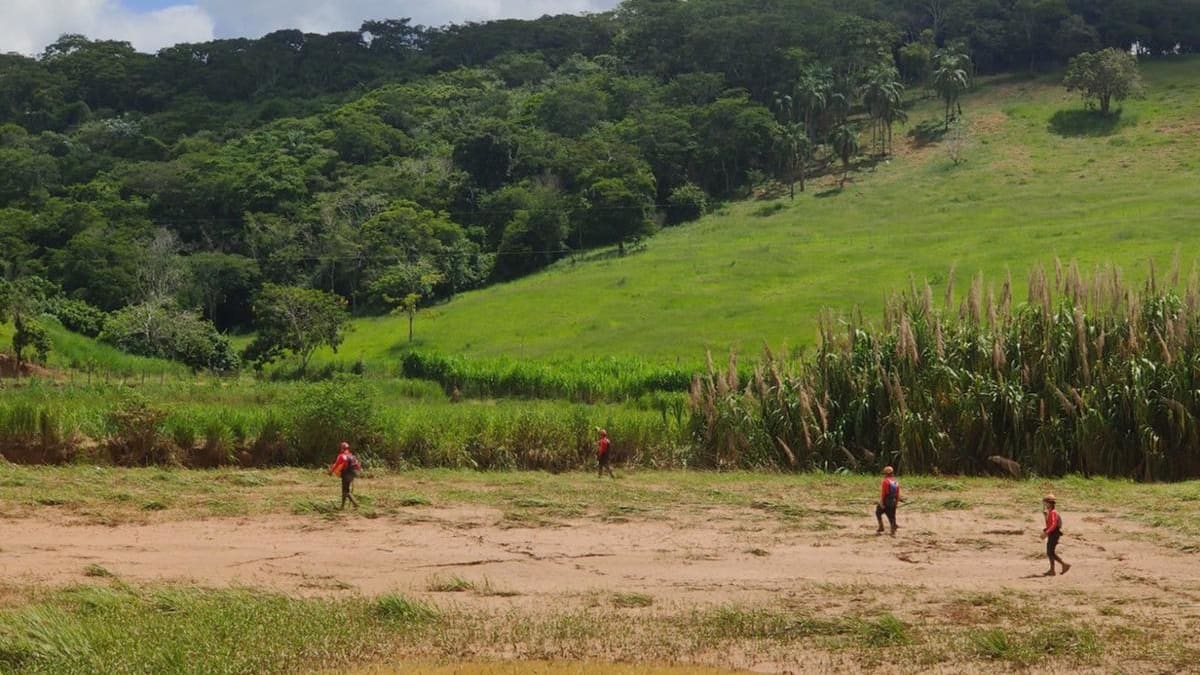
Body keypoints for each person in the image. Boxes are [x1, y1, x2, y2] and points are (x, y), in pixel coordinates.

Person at [1040, 494, 1070, 576]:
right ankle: (1053, 570)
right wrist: (1046, 516)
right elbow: (1049, 524)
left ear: (1049, 503)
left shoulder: (1053, 512)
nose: (1044, 505)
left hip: (1054, 533)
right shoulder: (1050, 512)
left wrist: (1047, 532)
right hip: (1053, 533)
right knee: (1050, 552)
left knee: (1050, 552)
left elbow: (1053, 524)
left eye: (1045, 503)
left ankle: (1064, 565)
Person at [329, 441, 361, 509]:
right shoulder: (352, 456)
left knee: (345, 491)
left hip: (346, 474)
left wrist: (331, 472)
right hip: (353, 474)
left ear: (342, 448)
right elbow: (358, 466)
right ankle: (343, 506)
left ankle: (355, 504)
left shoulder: (341, 456)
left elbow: (336, 465)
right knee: (345, 490)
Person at [875, 466, 905, 536]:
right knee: (892, 515)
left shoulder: (885, 482)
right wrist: (896, 502)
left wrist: (882, 502)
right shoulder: (895, 482)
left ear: (885, 474)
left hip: (886, 500)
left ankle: (881, 526)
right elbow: (897, 494)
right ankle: (893, 529)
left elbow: (883, 493)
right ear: (892, 473)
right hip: (893, 501)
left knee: (878, 512)